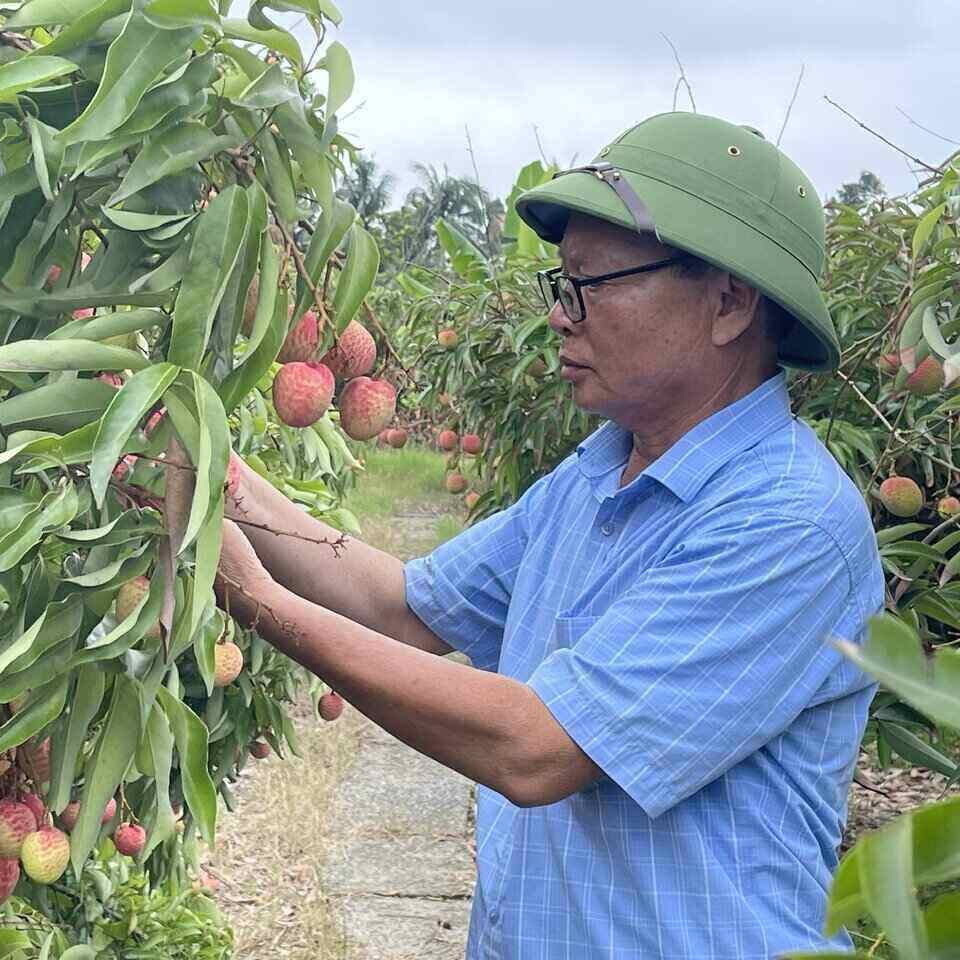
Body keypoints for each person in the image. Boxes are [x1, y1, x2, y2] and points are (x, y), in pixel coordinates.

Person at [213, 112, 884, 959]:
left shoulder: (788, 522)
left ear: (728, 303)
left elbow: (538, 749)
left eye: (589, 285)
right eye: (560, 286)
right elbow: (400, 607)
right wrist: (218, 476)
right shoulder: (595, 475)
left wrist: (254, 599)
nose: (563, 317)